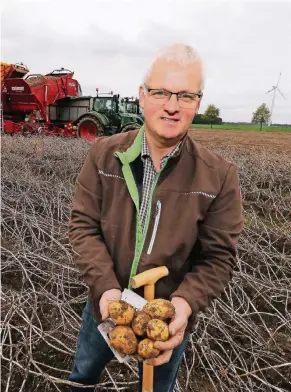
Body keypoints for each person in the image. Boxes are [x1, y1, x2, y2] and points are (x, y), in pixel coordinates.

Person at [68, 43, 244, 392]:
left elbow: (218, 258)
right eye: (161, 92)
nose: (172, 106)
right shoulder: (104, 155)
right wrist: (105, 291)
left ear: (198, 101)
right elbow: (83, 228)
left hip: (167, 317)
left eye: (186, 95)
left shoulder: (219, 176)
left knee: (159, 385)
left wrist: (183, 305)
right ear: (142, 96)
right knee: (83, 374)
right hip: (105, 304)